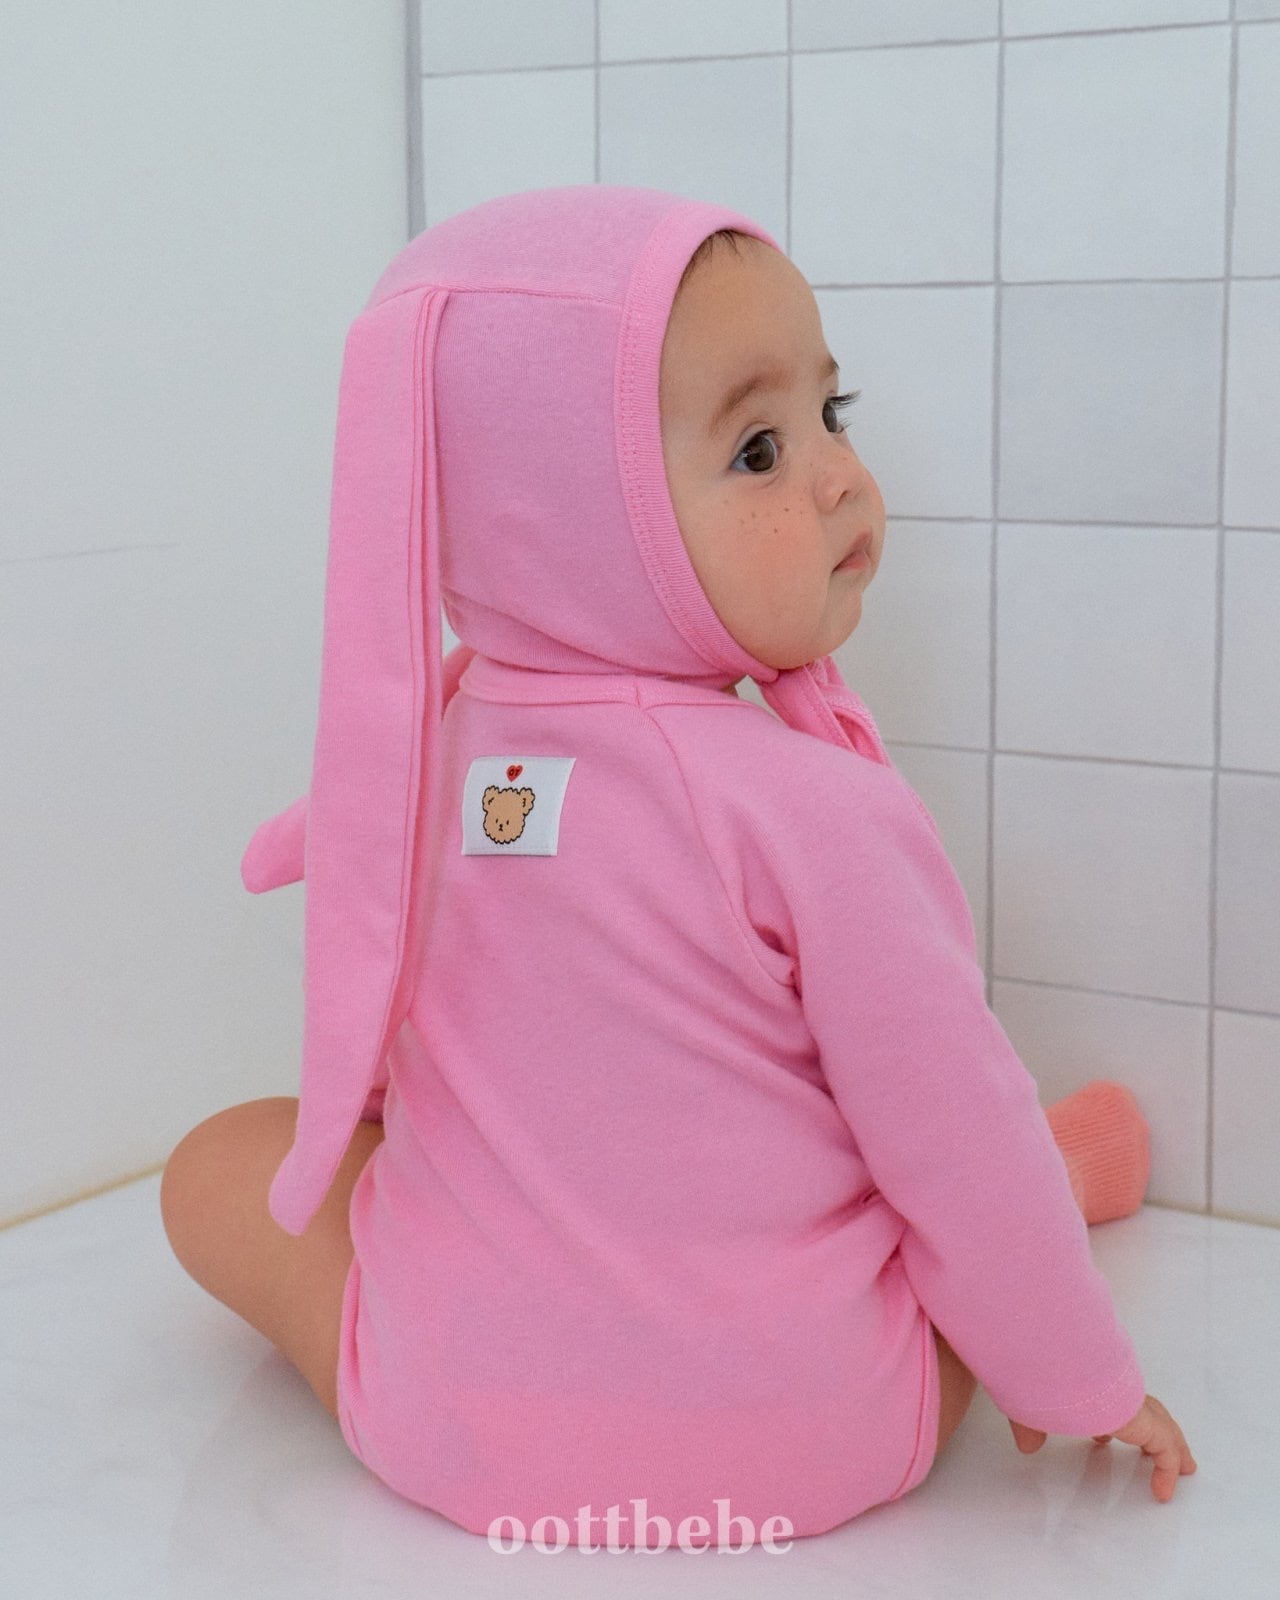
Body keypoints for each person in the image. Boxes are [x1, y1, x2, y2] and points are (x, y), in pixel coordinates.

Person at [159, 186, 1196, 1547]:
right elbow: (955, 1131)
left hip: (452, 1428)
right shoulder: (815, 809)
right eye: (760, 447)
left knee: (217, 1168)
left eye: (832, 412)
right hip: (812, 1435)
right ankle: (1060, 1175)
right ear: (563, 514)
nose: (839, 475)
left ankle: (508, 1306)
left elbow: (386, 930)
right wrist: (1083, 1380)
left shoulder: (429, 758)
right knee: (956, 1175)